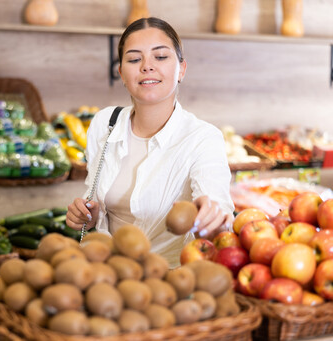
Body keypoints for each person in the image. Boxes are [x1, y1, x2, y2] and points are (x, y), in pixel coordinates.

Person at [66, 17, 235, 268]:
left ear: (182, 69)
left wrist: (211, 216)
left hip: (166, 281)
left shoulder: (202, 138)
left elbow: (219, 214)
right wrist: (89, 216)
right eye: (134, 59)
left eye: (161, 57)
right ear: (122, 73)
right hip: (102, 272)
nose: (147, 66)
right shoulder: (104, 123)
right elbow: (95, 197)